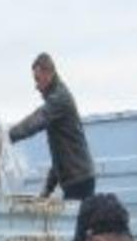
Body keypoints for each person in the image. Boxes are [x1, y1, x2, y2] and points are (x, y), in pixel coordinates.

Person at [9, 52, 96, 200]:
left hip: (79, 180)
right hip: (77, 179)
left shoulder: (60, 99)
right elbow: (60, 154)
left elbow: (36, 120)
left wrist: (7, 136)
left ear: (49, 73)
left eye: (37, 79)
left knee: (76, 223)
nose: (36, 85)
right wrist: (47, 190)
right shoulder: (56, 100)